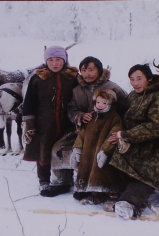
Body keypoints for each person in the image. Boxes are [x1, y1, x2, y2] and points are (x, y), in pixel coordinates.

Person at [106, 64, 159, 220]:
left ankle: (130, 201)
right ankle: (117, 191)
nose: (135, 83)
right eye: (132, 79)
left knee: (149, 168)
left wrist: (125, 134)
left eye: (139, 79)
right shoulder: (135, 95)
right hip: (142, 139)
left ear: (149, 79)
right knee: (116, 157)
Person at [41, 56, 128, 198]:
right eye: (83, 70)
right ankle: (62, 182)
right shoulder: (77, 90)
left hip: (105, 133)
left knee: (96, 150)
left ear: (99, 71)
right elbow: (71, 109)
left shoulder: (112, 88)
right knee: (58, 147)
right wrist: (79, 116)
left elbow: (126, 107)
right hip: (82, 130)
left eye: (91, 70)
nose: (87, 74)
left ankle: (98, 185)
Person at [22, 45, 79, 196]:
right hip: (44, 124)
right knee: (43, 152)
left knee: (64, 151)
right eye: (51, 60)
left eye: (58, 60)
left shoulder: (72, 78)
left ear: (64, 60)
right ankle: (44, 181)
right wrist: (29, 123)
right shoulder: (37, 79)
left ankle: (67, 179)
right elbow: (28, 103)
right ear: (46, 61)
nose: (55, 63)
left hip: (67, 122)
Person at [70, 89, 126, 205]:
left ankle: (110, 193)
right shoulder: (91, 116)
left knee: (103, 172)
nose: (100, 106)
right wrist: (77, 149)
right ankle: (92, 192)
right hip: (88, 152)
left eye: (104, 103)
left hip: (102, 152)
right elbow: (82, 134)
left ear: (110, 104)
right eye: (98, 102)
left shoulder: (114, 118)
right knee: (88, 169)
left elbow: (113, 135)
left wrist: (105, 151)